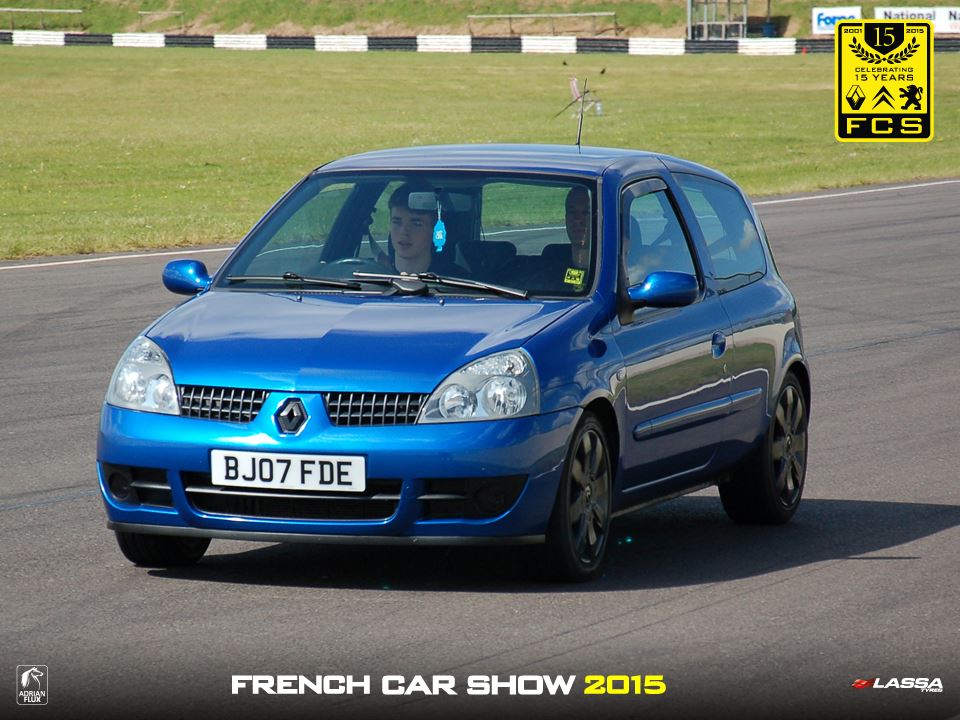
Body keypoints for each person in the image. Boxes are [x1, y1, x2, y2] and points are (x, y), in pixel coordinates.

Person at [386, 183, 466, 276]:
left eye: (416, 224)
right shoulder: (374, 276)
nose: (403, 231)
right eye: (397, 222)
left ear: (434, 230)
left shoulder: (459, 281)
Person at [564, 186, 592, 268]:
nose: (578, 220)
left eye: (586, 212)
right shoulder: (548, 267)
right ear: (566, 218)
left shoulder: (614, 268)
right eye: (572, 212)